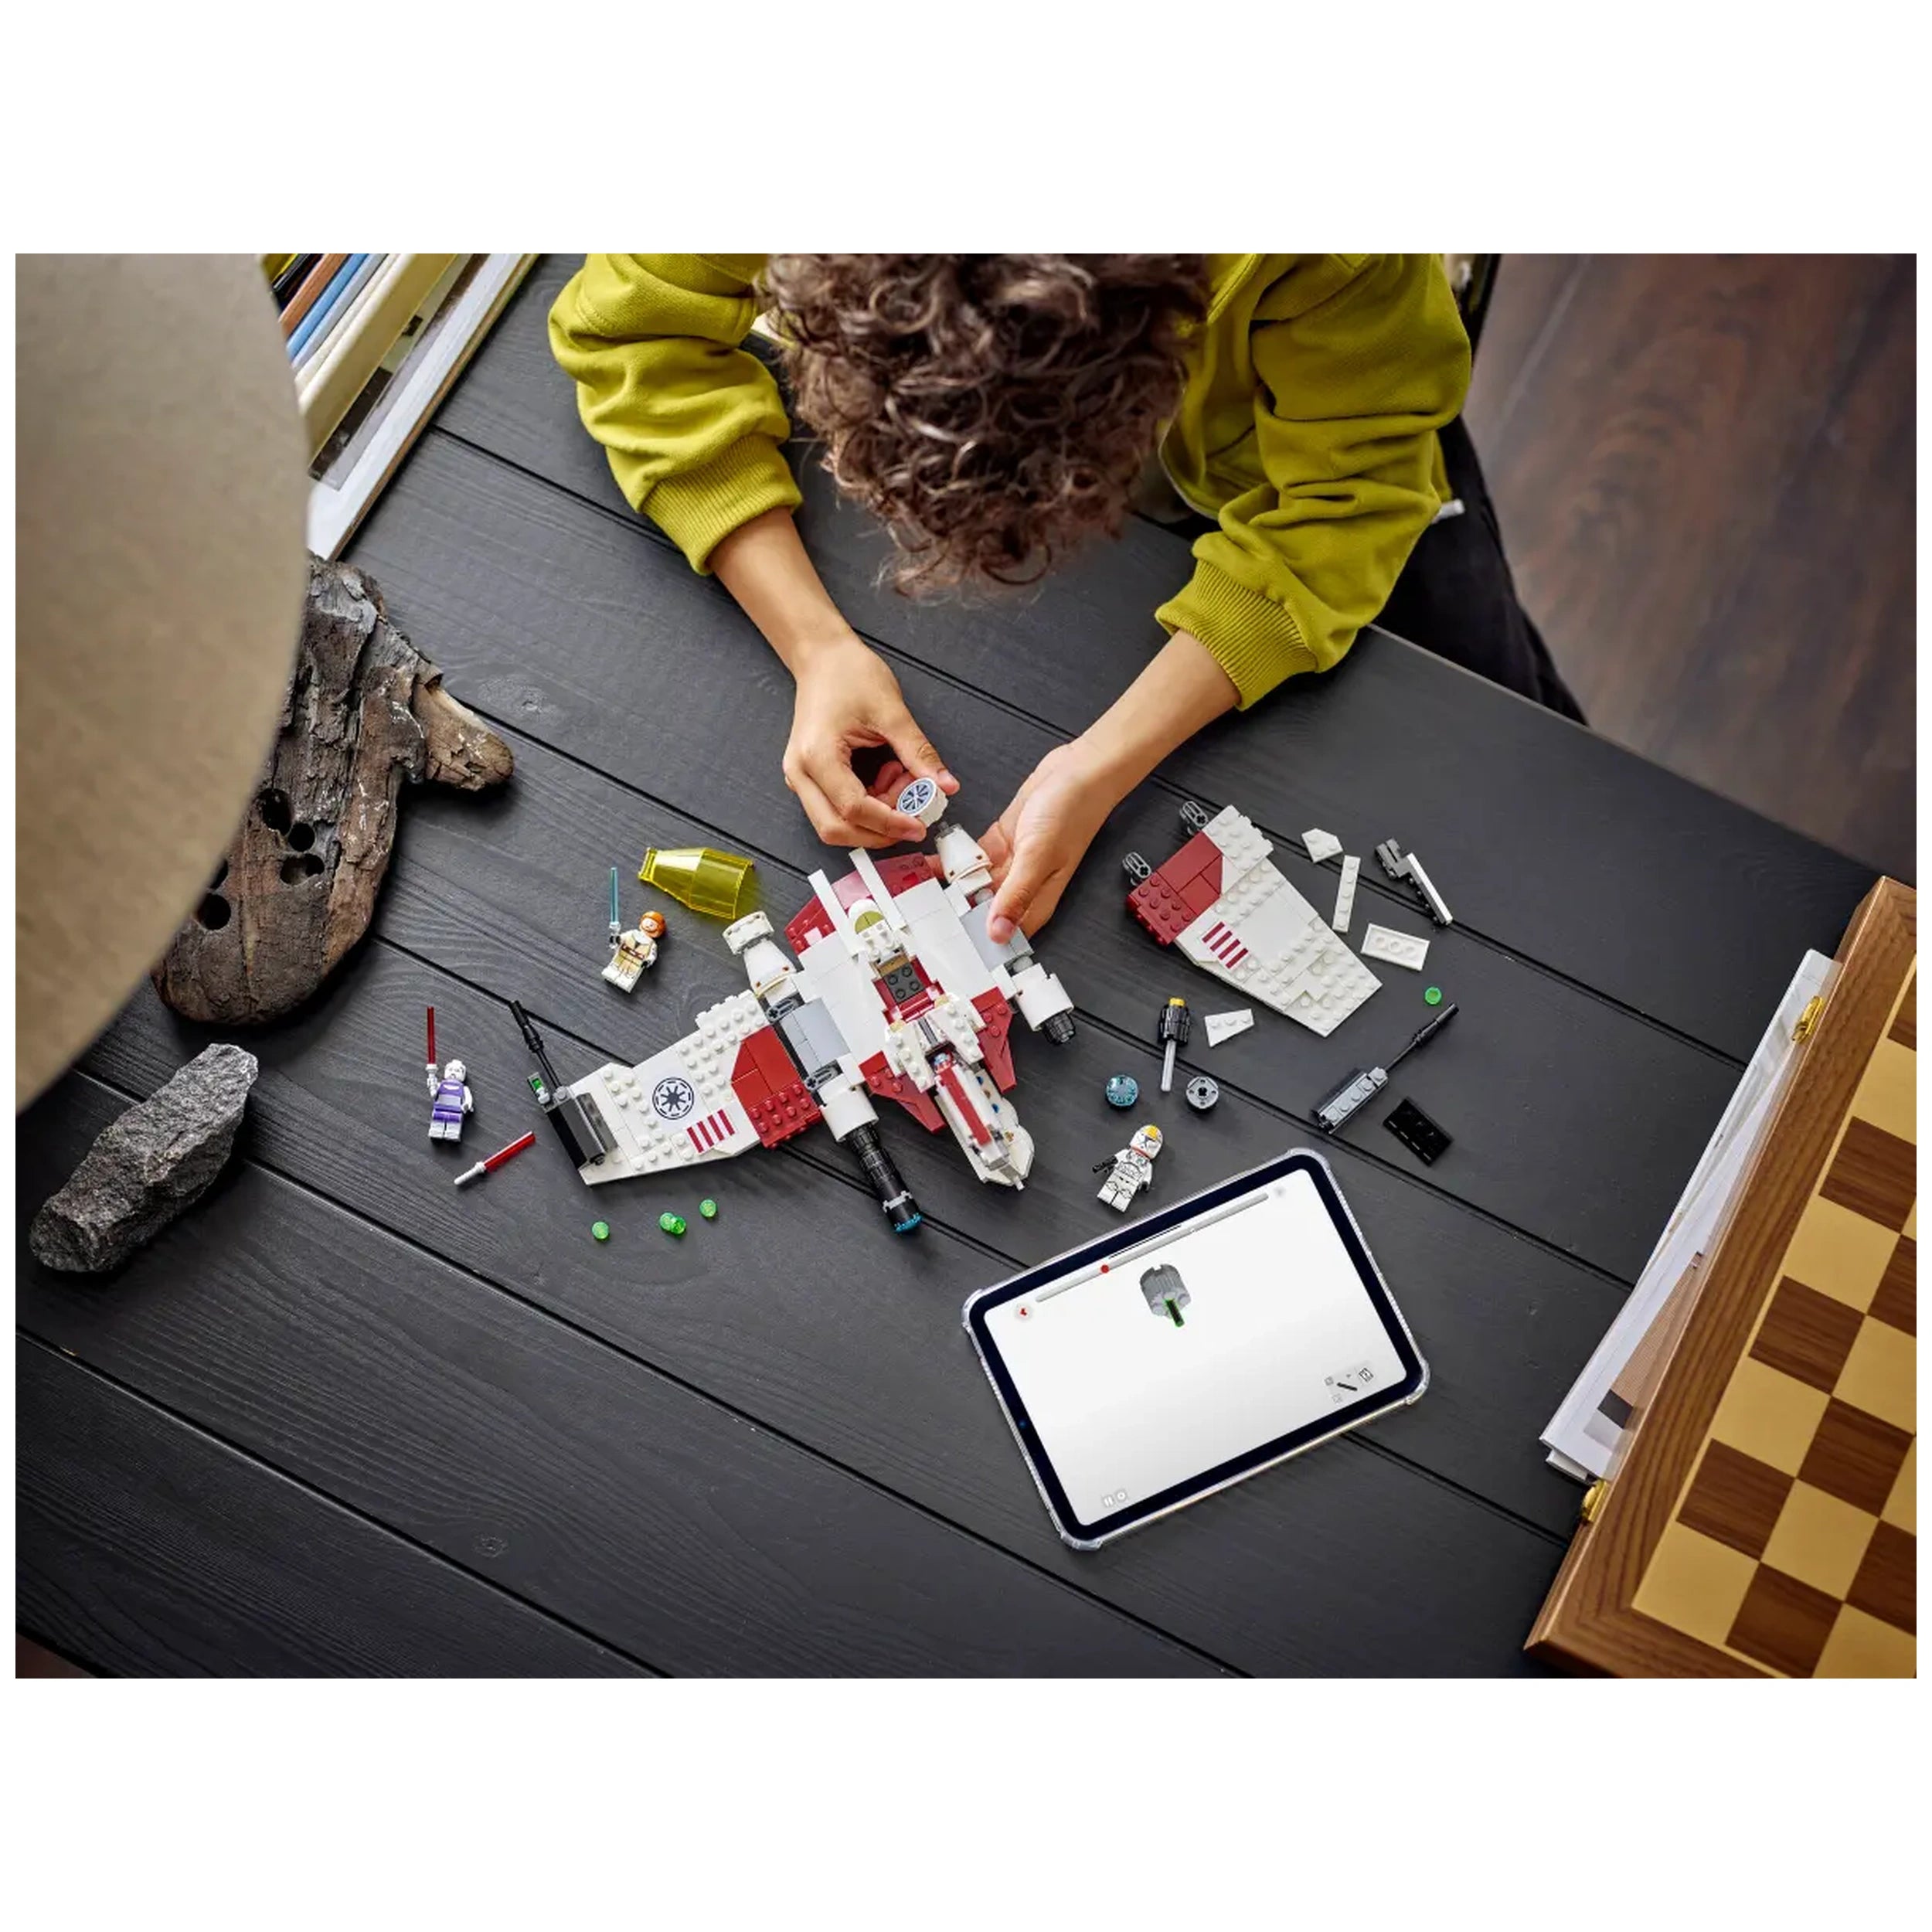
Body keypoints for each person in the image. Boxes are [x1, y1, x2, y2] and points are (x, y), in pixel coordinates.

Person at [549, 253, 1578, 946]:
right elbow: (630, 332)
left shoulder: (1337, 252)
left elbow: (1355, 500)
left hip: (1330, 441)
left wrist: (1102, 765)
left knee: (1524, 748)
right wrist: (816, 645)